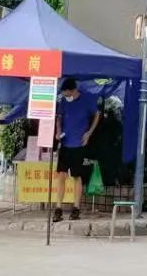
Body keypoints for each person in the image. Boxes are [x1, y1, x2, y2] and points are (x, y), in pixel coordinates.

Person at [53, 78, 100, 222]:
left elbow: (97, 114)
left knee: (77, 177)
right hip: (65, 144)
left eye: (67, 94)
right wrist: (58, 131)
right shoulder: (64, 101)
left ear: (73, 91)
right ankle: (58, 209)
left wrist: (89, 133)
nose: (66, 97)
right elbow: (59, 117)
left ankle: (76, 209)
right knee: (61, 176)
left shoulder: (87, 100)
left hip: (79, 145)